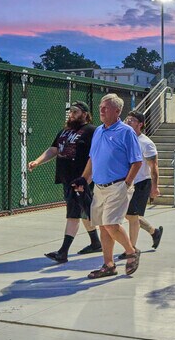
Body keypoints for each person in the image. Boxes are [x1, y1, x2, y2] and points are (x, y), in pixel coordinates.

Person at [72, 94, 143, 279]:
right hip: (99, 187)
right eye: (101, 106)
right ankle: (108, 265)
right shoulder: (98, 131)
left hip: (118, 185)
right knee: (103, 226)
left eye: (106, 107)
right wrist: (83, 179)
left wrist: (126, 184)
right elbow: (93, 159)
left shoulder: (126, 132)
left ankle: (131, 251)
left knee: (111, 224)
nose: (101, 110)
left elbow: (137, 162)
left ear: (117, 111)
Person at [28, 101, 102, 263]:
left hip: (80, 180)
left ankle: (63, 252)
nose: (71, 115)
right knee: (84, 212)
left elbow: (96, 157)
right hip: (67, 179)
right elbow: (53, 149)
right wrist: (37, 161)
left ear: (85, 114)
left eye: (75, 112)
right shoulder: (65, 131)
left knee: (74, 214)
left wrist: (86, 179)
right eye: (70, 112)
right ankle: (96, 243)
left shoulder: (92, 131)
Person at [118, 111, 163, 259]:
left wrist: (154, 187)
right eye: (127, 119)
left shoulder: (146, 143)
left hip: (141, 183)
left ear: (140, 124)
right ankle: (154, 232)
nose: (128, 121)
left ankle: (131, 249)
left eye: (132, 120)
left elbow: (154, 166)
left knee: (132, 216)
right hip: (126, 182)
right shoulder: (123, 138)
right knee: (129, 215)